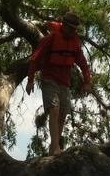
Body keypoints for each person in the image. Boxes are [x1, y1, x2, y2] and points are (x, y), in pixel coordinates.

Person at [25, 11, 92, 155]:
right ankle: (56, 148)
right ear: (63, 25)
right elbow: (35, 59)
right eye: (69, 28)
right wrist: (30, 80)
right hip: (49, 78)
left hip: (64, 82)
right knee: (54, 110)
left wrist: (87, 81)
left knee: (62, 114)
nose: (71, 31)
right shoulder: (51, 38)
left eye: (74, 29)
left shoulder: (75, 43)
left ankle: (53, 147)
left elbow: (83, 63)